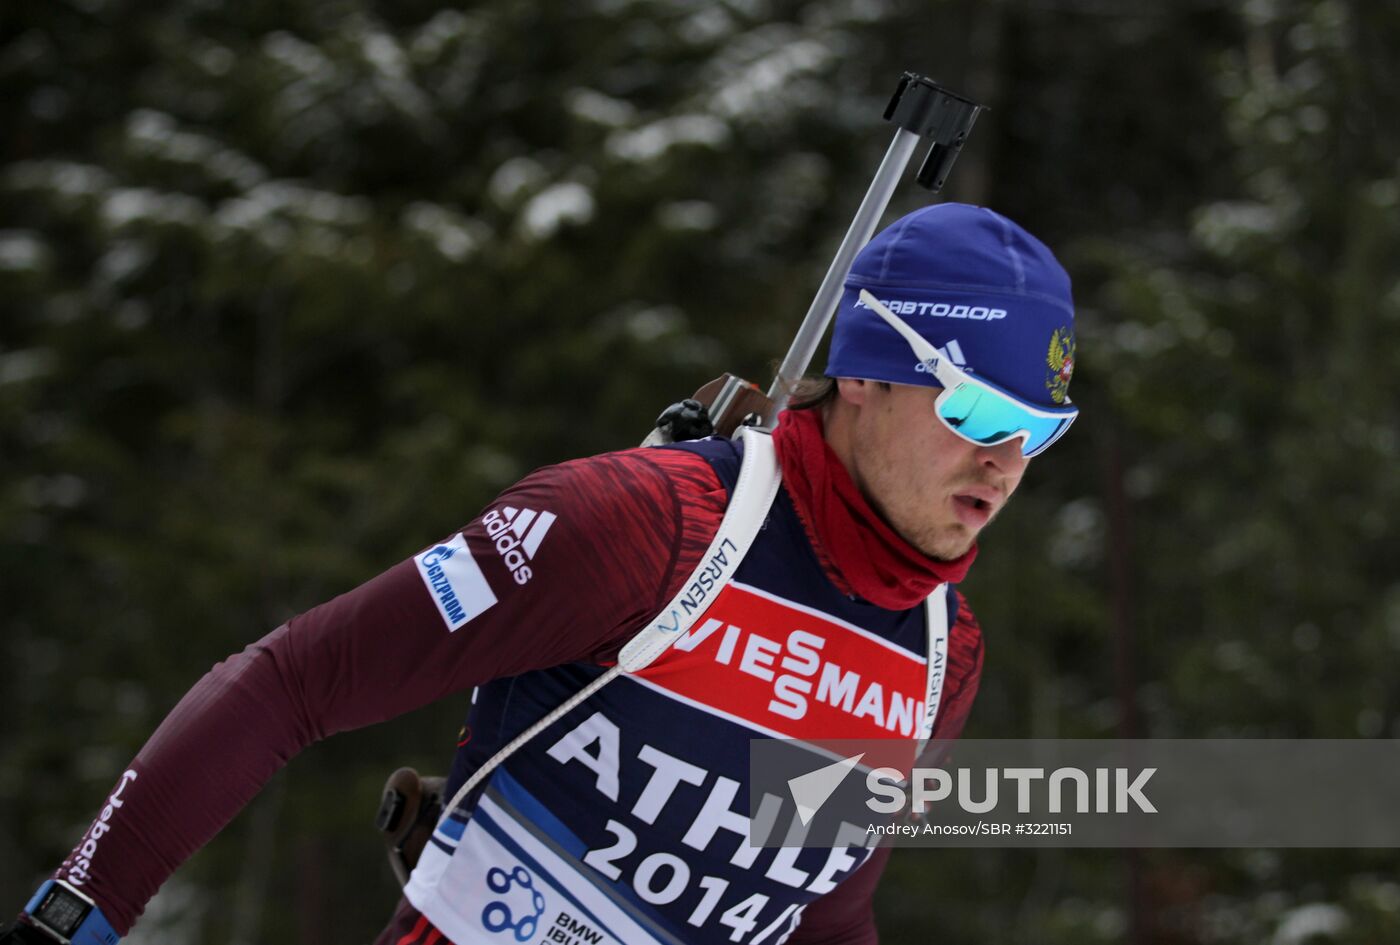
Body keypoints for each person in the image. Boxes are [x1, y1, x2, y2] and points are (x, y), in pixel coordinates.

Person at [5, 203, 1077, 945]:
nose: (1003, 458)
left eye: (1038, 431)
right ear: (861, 376)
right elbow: (293, 681)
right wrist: (77, 912)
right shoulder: (647, 524)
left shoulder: (939, 651)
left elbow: (818, 909)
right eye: (974, 411)